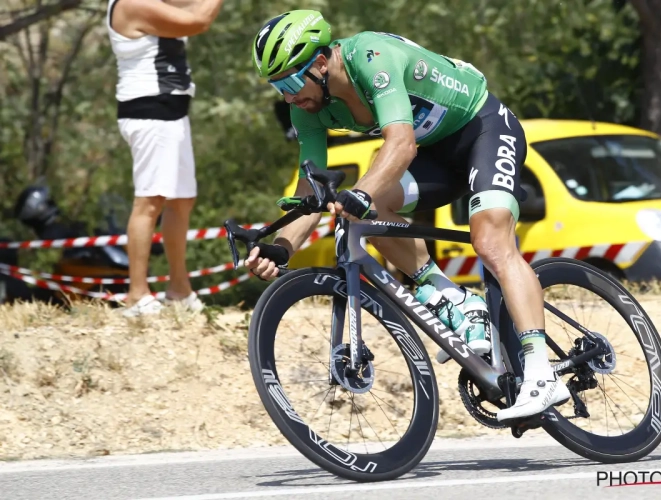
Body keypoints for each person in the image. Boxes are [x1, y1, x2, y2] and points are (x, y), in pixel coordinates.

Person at [245, 10, 570, 423]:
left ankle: (541, 374)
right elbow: (310, 191)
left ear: (322, 64)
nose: (289, 97)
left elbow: (400, 145)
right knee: (365, 212)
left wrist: (361, 192)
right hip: (435, 154)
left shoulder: (370, 57)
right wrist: (280, 246)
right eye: (278, 87)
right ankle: (454, 300)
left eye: (291, 82)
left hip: (483, 128)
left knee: (490, 242)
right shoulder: (306, 107)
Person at [106, 0, 224, 316]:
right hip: (149, 112)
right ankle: (137, 294)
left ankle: (179, 290)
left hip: (172, 112)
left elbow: (193, 6)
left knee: (182, 200)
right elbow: (199, 20)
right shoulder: (132, 4)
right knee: (150, 201)